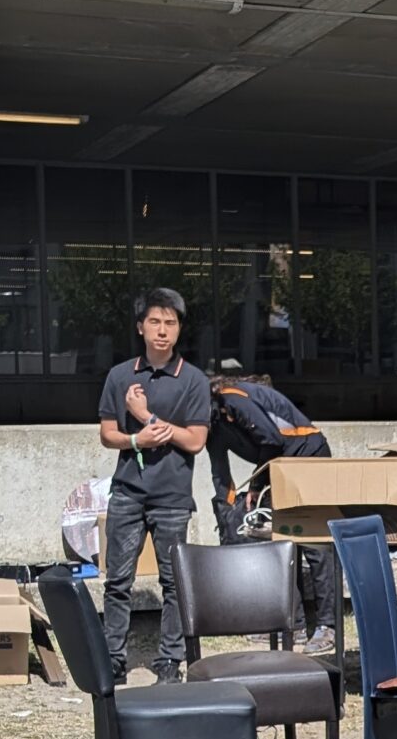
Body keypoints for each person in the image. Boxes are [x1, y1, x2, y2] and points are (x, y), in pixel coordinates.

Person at [95, 288, 210, 685]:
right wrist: (134, 441)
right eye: (155, 322)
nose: (163, 331)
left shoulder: (193, 380)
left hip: (173, 497)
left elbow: (195, 440)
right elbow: (107, 433)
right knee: (117, 580)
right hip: (127, 490)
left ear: (179, 330)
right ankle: (112, 658)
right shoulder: (120, 375)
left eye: (171, 323)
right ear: (141, 327)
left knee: (173, 583)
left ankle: (169, 661)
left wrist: (143, 416)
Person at [206, 360, 340, 655]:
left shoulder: (232, 396)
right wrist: (229, 512)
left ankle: (328, 625)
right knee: (282, 544)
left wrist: (255, 485)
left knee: (314, 544)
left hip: (308, 456)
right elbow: (220, 474)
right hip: (278, 465)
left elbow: (272, 438)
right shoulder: (211, 427)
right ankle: (293, 625)